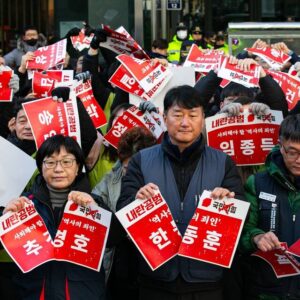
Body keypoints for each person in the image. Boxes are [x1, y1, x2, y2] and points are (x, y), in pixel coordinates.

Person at [117, 85, 245, 300]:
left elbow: (243, 212)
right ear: (165, 117)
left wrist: (229, 202)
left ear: (203, 117)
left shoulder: (222, 162)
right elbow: (123, 208)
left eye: (192, 115)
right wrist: (136, 199)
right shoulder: (141, 160)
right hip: (155, 279)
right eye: (178, 115)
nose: (185, 123)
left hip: (207, 280)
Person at [0, 134, 122, 299]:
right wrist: (5, 219)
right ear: (41, 167)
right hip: (33, 293)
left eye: (66, 162)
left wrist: (97, 211)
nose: (58, 169)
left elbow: (116, 238)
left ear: (78, 167)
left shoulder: (92, 203)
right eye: (50, 162)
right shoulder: (23, 206)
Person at [240, 114, 300, 300]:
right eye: (293, 152)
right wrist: (256, 237)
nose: (299, 159)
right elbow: (242, 232)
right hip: (267, 290)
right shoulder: (257, 182)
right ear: (280, 146)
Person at [93, 126, 157, 300]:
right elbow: (98, 216)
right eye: (129, 167)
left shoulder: (161, 180)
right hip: (118, 264)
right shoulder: (109, 181)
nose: (134, 173)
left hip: (153, 265)